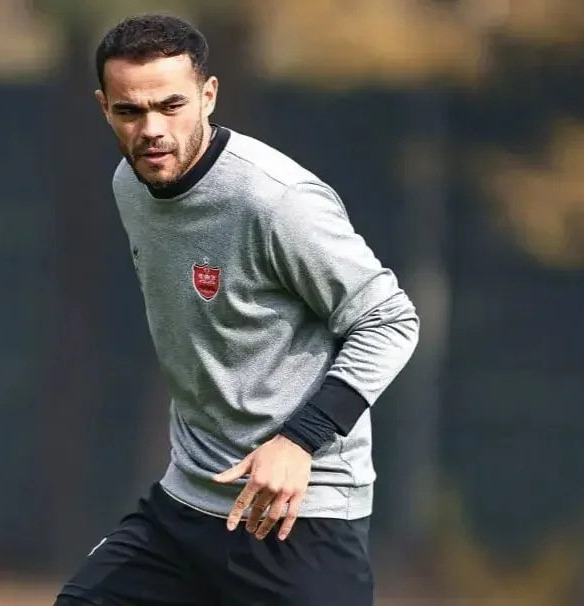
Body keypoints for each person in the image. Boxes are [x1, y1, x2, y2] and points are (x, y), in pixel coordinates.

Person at [53, 13, 419, 606]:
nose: (152, 129)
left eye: (171, 105)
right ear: (104, 108)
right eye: (130, 111)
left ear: (209, 95)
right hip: (184, 505)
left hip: (297, 516)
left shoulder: (276, 201)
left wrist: (299, 441)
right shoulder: (130, 183)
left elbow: (390, 320)